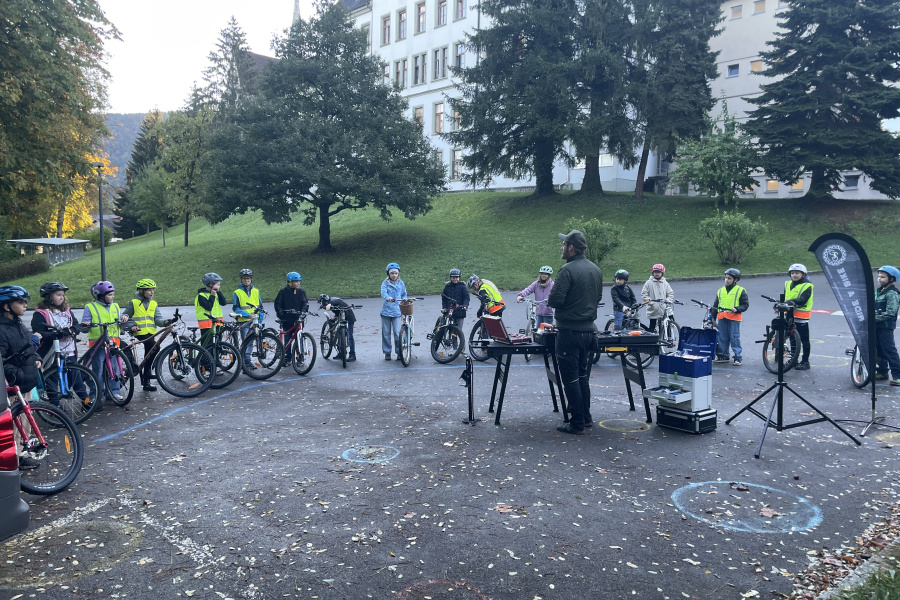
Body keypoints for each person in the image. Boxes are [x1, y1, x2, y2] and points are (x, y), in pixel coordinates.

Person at [548, 230, 603, 435]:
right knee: (581, 376)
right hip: (589, 331)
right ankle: (586, 418)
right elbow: (597, 297)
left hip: (569, 332)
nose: (561, 247)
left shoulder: (567, 270)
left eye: (564, 245)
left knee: (570, 378)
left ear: (571, 247)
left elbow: (555, 300)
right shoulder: (596, 269)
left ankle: (577, 423)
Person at [31, 282, 87, 402]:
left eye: (62, 295)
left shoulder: (66, 311)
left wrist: (72, 330)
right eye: (58, 295)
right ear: (49, 297)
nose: (61, 297)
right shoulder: (41, 313)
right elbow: (39, 332)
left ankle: (87, 402)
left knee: (77, 378)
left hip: (69, 351)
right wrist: (56, 334)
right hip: (51, 353)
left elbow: (76, 324)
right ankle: (55, 406)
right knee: (52, 379)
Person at [121, 279, 172, 391]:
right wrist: (132, 326)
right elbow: (125, 316)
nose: (152, 292)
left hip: (150, 333)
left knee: (150, 351)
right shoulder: (133, 303)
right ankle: (147, 374)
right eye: (149, 290)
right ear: (141, 291)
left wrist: (165, 322)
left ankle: (146, 381)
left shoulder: (153, 304)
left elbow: (157, 318)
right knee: (155, 346)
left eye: (153, 290)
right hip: (139, 333)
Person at [81, 280, 123, 405]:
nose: (113, 297)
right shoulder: (90, 307)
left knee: (114, 369)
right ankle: (95, 394)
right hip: (97, 344)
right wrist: (86, 325)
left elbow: (119, 321)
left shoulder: (115, 306)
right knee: (97, 371)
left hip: (113, 343)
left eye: (113, 294)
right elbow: (84, 326)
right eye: (110, 295)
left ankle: (114, 391)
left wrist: (124, 319)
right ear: (100, 296)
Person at [0, 286, 41, 395]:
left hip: (24, 387)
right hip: (13, 388)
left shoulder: (18, 324)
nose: (25, 305)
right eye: (20, 302)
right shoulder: (2, 330)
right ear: (7, 307)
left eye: (25, 302)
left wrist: (36, 358)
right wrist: (19, 374)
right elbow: (1, 361)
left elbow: (27, 346)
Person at [711, 268, 749, 366]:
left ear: (735, 280)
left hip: (734, 318)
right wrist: (713, 317)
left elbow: (745, 305)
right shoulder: (720, 291)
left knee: (734, 338)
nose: (726, 280)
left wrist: (737, 308)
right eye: (726, 278)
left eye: (729, 278)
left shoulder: (740, 291)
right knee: (722, 337)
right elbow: (715, 305)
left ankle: (737, 357)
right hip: (722, 317)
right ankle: (724, 355)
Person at [874, 266, 900, 386]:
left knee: (889, 350)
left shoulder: (892, 293)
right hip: (876, 325)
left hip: (885, 326)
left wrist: (875, 318)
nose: (879, 279)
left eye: (883, 277)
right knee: (878, 349)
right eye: (879, 276)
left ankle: (897, 376)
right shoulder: (879, 291)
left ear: (892, 279)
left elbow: (891, 312)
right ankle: (883, 371)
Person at [784, 263, 813, 370]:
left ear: (803, 274)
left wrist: (791, 302)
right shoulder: (787, 284)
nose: (794, 275)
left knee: (804, 340)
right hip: (790, 316)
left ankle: (805, 361)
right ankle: (793, 360)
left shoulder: (807, 286)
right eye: (792, 273)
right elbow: (785, 297)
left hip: (802, 317)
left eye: (797, 273)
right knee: (792, 339)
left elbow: (803, 299)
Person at [233, 269, 261, 365]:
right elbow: (235, 308)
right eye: (244, 278)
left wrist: (259, 319)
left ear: (251, 279)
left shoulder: (256, 291)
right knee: (247, 341)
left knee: (252, 341)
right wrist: (247, 315)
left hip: (255, 321)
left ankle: (246, 361)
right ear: (241, 280)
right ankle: (246, 362)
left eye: (248, 278)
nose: (247, 280)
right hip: (244, 321)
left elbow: (260, 306)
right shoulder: (237, 292)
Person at [380, 262, 407, 361]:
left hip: (396, 311)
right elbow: (383, 293)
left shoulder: (401, 283)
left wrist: (404, 299)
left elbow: (404, 294)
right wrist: (388, 298)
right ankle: (387, 352)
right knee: (386, 333)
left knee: (397, 333)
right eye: (392, 273)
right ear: (388, 274)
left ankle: (399, 351)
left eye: (396, 273)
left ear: (398, 274)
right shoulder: (385, 283)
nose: (394, 275)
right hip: (386, 312)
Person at [195, 273, 227, 351]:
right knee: (207, 347)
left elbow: (224, 303)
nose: (219, 286)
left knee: (217, 346)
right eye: (217, 284)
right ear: (210, 284)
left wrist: (218, 292)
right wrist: (212, 295)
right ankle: (204, 362)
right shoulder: (201, 295)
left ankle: (216, 362)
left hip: (217, 323)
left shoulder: (216, 294)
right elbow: (208, 307)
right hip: (206, 324)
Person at [320, 294, 357, 362]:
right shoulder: (330, 304)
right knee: (339, 334)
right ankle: (341, 352)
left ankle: (352, 355)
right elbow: (338, 309)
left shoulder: (333, 300)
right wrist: (336, 316)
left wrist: (330, 304)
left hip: (349, 317)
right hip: (341, 317)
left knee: (350, 336)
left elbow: (338, 302)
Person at [641, 263, 674, 334]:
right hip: (653, 308)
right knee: (652, 325)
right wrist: (650, 302)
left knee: (669, 322)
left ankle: (669, 337)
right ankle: (652, 338)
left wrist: (668, 300)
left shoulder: (665, 283)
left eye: (658, 272)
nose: (656, 274)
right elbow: (644, 294)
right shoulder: (649, 283)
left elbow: (670, 293)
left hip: (664, 307)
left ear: (662, 273)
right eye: (655, 272)